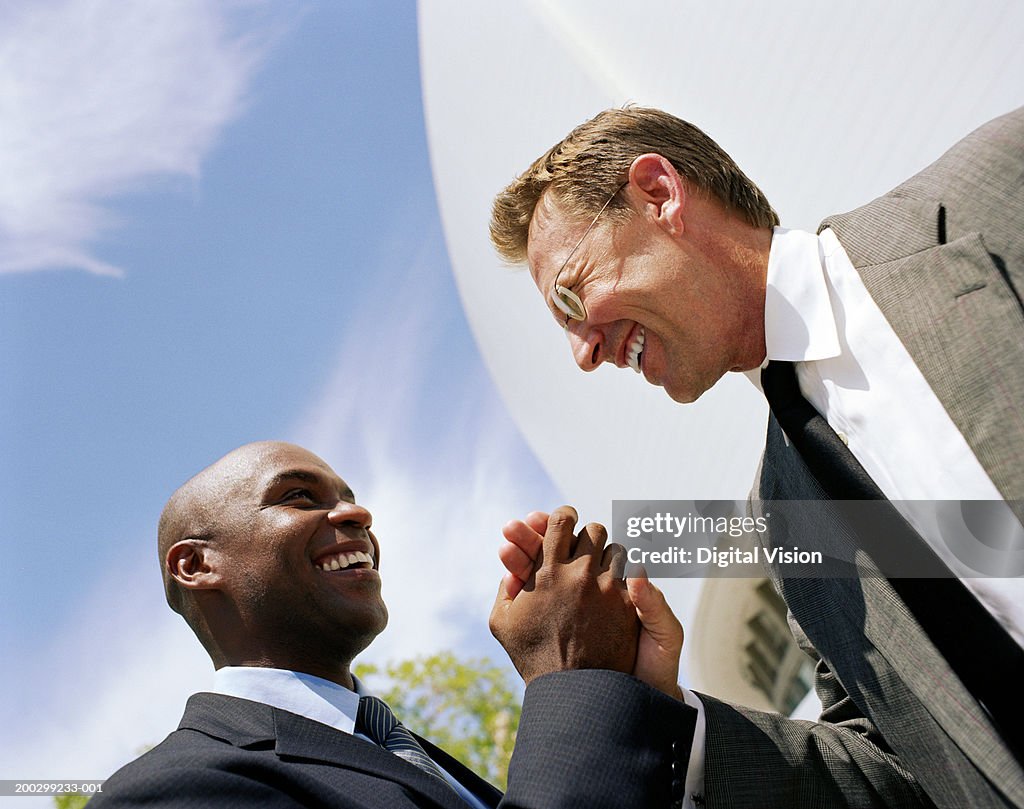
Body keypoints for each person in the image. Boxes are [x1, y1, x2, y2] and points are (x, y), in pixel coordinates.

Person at [489, 107, 1024, 807]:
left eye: (570, 295)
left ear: (658, 194)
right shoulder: (782, 521)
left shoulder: (1000, 187)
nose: (583, 354)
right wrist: (665, 711)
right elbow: (899, 770)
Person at [91, 440, 695, 808]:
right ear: (197, 565)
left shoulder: (406, 754)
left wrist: (633, 699)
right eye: (299, 497)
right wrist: (576, 681)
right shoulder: (168, 791)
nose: (356, 512)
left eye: (348, 495)